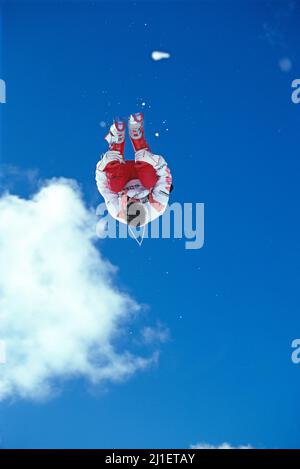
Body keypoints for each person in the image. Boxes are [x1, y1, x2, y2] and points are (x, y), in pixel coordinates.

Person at [95, 113, 173, 227]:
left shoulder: (117, 211)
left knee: (114, 186)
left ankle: (116, 143)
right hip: (144, 174)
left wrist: (101, 167)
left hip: (122, 176)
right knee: (149, 182)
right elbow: (165, 178)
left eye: (129, 203)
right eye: (137, 202)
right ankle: (138, 137)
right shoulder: (157, 206)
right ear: (144, 208)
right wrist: (155, 162)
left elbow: (103, 188)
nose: (134, 199)